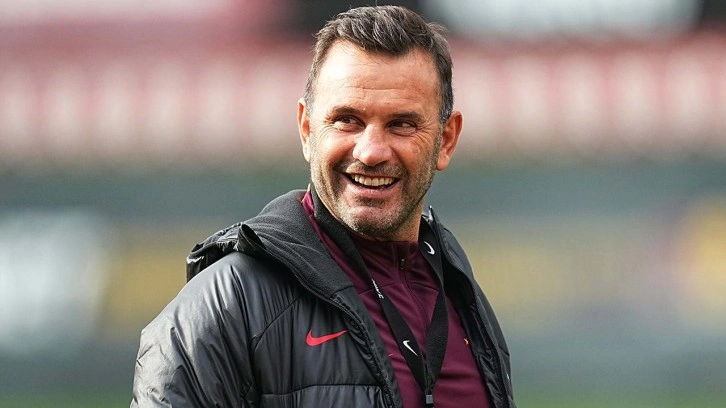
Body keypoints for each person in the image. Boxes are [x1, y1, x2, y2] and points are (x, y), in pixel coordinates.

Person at [131, 6, 515, 408]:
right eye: (347, 120)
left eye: (402, 124)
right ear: (307, 129)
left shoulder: (461, 295)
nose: (370, 152)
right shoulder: (226, 306)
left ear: (447, 140)